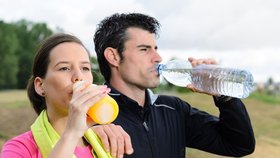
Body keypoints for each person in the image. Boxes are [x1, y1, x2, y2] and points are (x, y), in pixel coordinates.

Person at [93, 13, 255, 158]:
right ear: (113, 56)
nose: (158, 58)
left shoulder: (173, 109)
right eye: (144, 49)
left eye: (156, 49)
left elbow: (239, 145)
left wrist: (223, 95)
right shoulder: (92, 115)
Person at [1, 33, 133, 158]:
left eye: (85, 68)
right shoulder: (19, 149)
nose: (79, 77)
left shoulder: (105, 141)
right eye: (64, 68)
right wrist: (72, 133)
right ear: (40, 86)